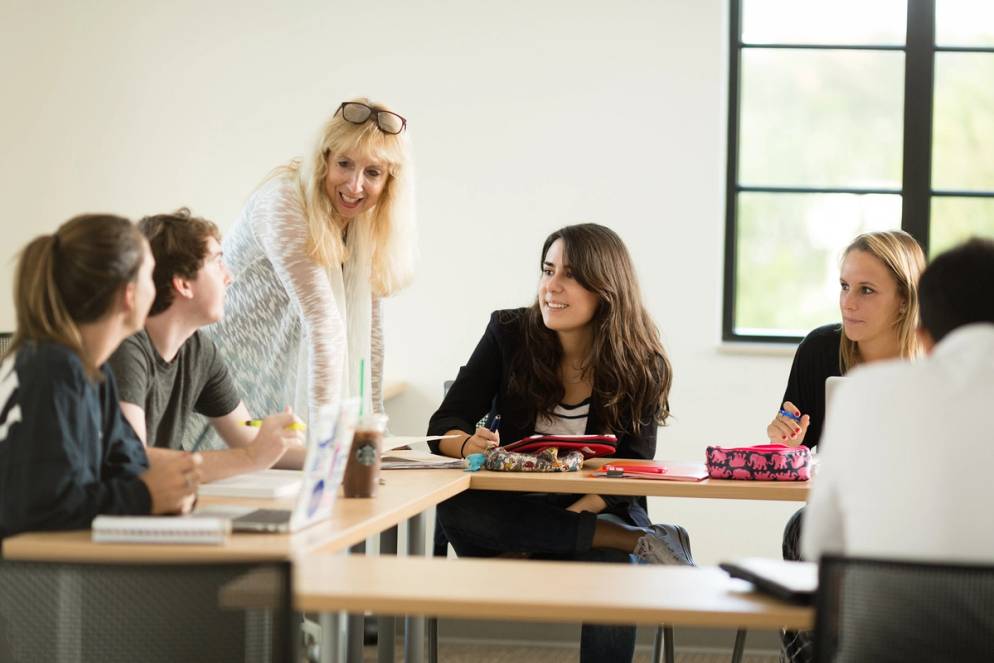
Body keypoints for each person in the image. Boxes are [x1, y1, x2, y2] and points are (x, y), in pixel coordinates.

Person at [428, 223, 689, 663]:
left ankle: (609, 540)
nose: (552, 287)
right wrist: (468, 444)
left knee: (611, 571)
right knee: (455, 505)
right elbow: (444, 424)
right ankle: (634, 540)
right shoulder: (508, 332)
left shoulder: (642, 362)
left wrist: (553, 533)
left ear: (605, 287)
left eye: (569, 275)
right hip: (511, 508)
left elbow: (629, 469)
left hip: (593, 506)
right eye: (547, 271)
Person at [800, 238, 994, 661]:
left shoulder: (865, 394)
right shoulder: (823, 349)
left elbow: (819, 545)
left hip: (883, 643)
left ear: (924, 332)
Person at [188, 98, 416, 449]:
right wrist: (327, 450)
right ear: (323, 158)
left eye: (372, 173)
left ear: (389, 182)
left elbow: (367, 334)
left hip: (281, 387)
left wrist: (374, 430)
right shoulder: (283, 202)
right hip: (218, 382)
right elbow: (324, 326)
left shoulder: (362, 225)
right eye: (345, 164)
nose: (355, 186)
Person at [772, 229, 926, 663]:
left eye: (866, 290)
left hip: (916, 512)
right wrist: (784, 442)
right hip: (842, 506)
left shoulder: (934, 359)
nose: (848, 302)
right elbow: (799, 453)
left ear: (903, 299)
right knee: (800, 530)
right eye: (844, 286)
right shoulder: (820, 349)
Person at [0, 214, 201, 539]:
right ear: (129, 294)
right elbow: (43, 510)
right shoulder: (53, 369)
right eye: (150, 275)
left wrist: (169, 490)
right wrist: (147, 496)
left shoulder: (92, 371)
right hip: (21, 582)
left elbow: (128, 466)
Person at [108, 209, 305, 484]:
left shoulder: (199, 349)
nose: (229, 277)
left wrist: (339, 456)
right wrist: (252, 457)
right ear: (184, 284)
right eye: (217, 262)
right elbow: (134, 462)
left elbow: (249, 439)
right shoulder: (125, 349)